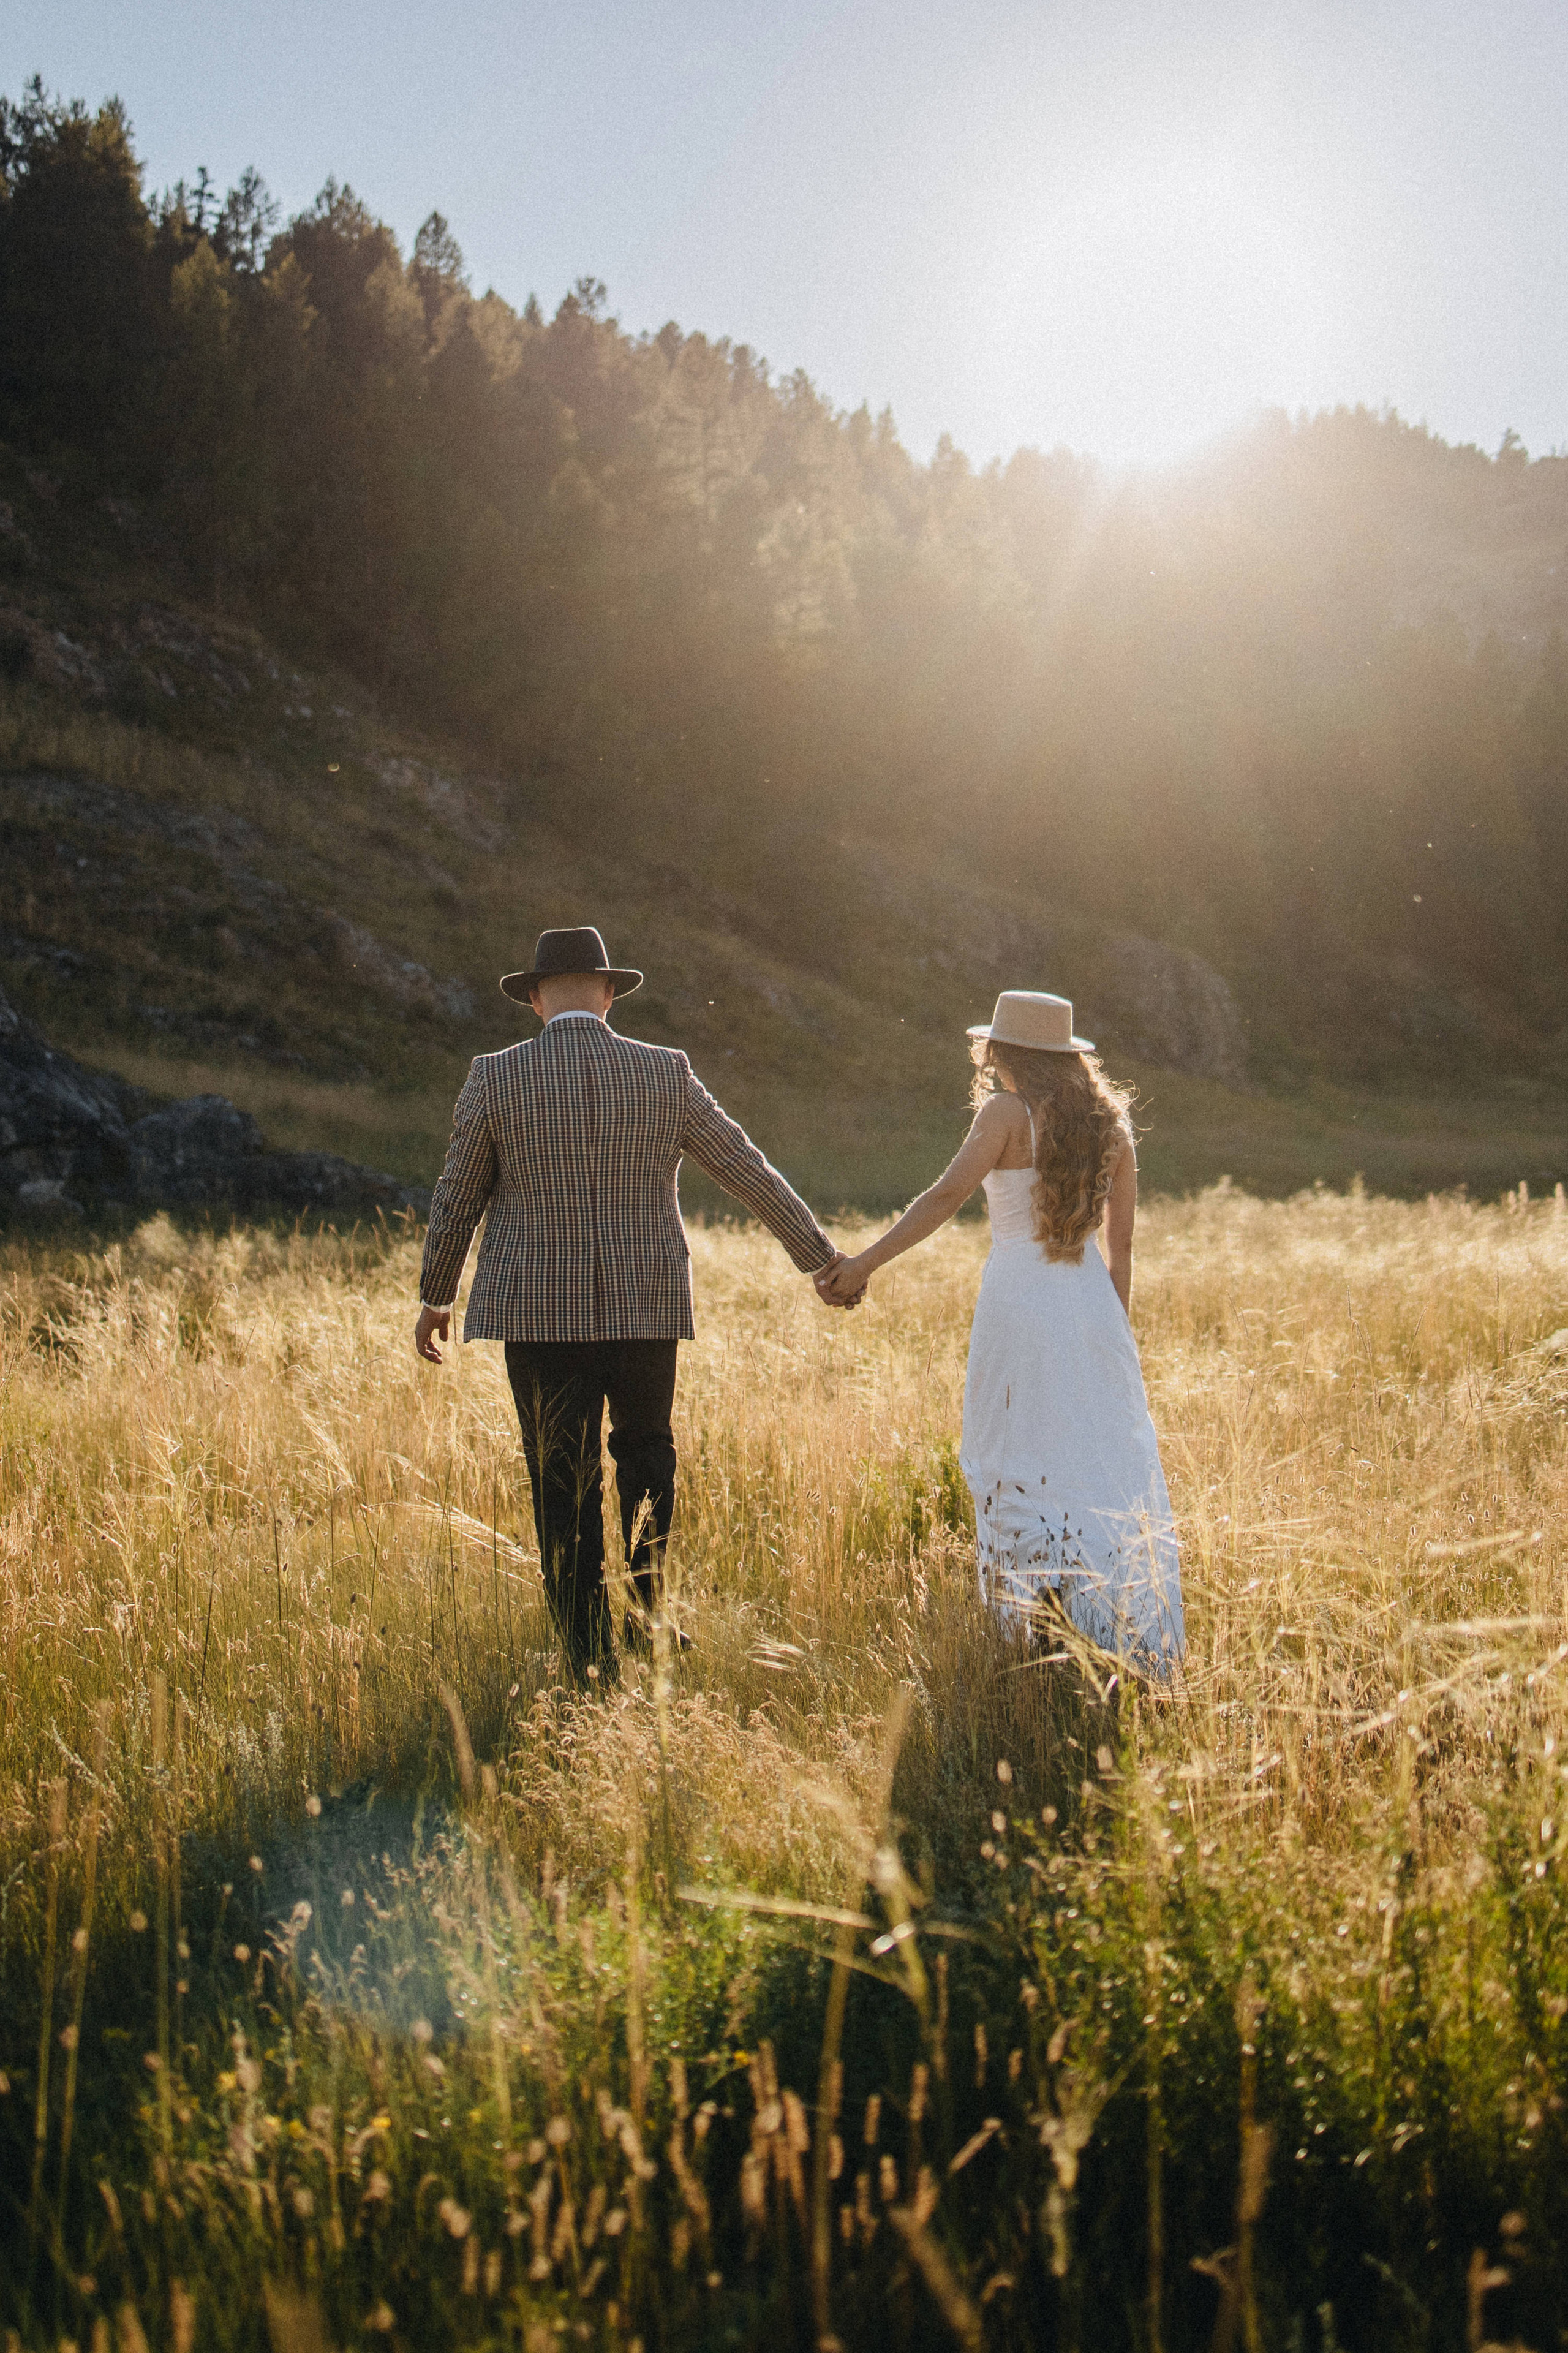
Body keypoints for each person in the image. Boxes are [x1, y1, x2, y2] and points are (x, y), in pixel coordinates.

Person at [415, 926, 858, 1679]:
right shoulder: (665, 1071)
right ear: (610, 993)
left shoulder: (494, 1077)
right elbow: (745, 1169)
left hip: (536, 1309)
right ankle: (651, 1617)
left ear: (535, 999)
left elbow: (458, 1196)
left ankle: (587, 1650)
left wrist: (437, 1293)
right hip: (646, 1300)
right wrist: (821, 1258)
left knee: (562, 1474)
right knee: (648, 1455)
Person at [819, 990, 1183, 1672]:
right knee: (1096, 1459)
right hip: (1092, 1305)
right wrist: (1111, 1336)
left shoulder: (1006, 1114)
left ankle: (1029, 1632)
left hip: (1020, 1303)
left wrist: (862, 1264)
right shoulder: (1112, 1124)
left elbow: (943, 1197)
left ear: (1001, 1051)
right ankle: (1111, 1627)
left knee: (1017, 1454)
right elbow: (1122, 1248)